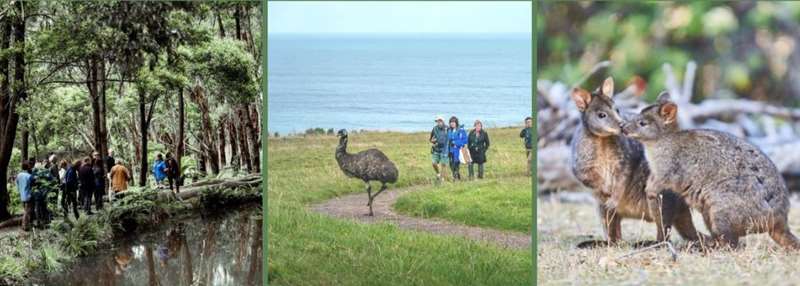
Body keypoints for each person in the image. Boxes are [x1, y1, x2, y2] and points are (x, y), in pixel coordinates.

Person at [447, 116, 468, 180]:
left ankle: (455, 178)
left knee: (456, 164)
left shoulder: (461, 130)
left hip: (458, 150)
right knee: (451, 164)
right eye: (451, 122)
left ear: (456, 123)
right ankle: (457, 177)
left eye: (453, 122)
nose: (452, 123)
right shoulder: (449, 130)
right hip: (450, 150)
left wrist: (455, 142)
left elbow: (465, 140)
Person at [429, 116, 449, 181]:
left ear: (443, 121)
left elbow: (451, 137)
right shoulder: (434, 129)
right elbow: (430, 139)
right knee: (434, 163)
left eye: (440, 121)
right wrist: (433, 141)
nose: (439, 123)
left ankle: (442, 178)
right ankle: (438, 174)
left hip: (444, 149)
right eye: (438, 121)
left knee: (443, 164)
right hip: (436, 149)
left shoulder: (447, 128)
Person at [15, 162, 34, 231]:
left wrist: (20, 189)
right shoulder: (29, 176)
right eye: (29, 165)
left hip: (22, 195)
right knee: (27, 211)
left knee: (25, 210)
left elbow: (16, 183)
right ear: (28, 167)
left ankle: (26, 225)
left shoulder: (19, 175)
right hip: (28, 195)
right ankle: (25, 226)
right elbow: (33, 184)